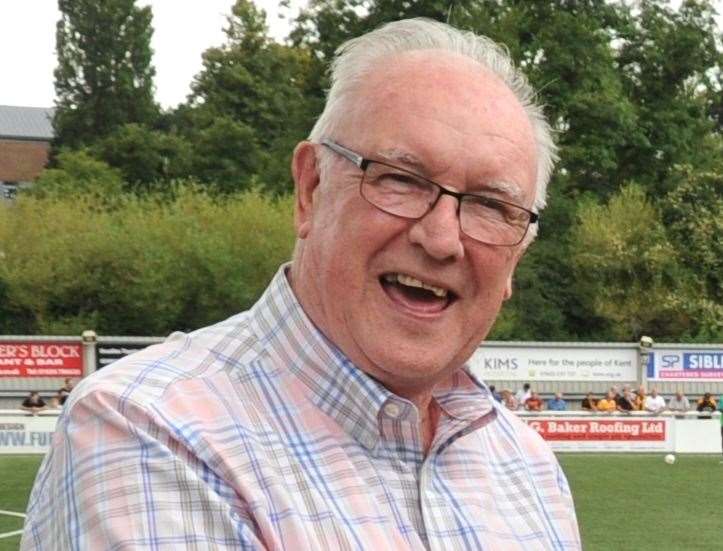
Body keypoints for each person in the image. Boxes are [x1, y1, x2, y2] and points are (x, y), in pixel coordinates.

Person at [22, 19, 580, 550]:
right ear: (311, 189)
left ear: (516, 259)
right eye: (402, 180)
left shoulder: (526, 468)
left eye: (490, 206)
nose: (441, 239)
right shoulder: (148, 428)